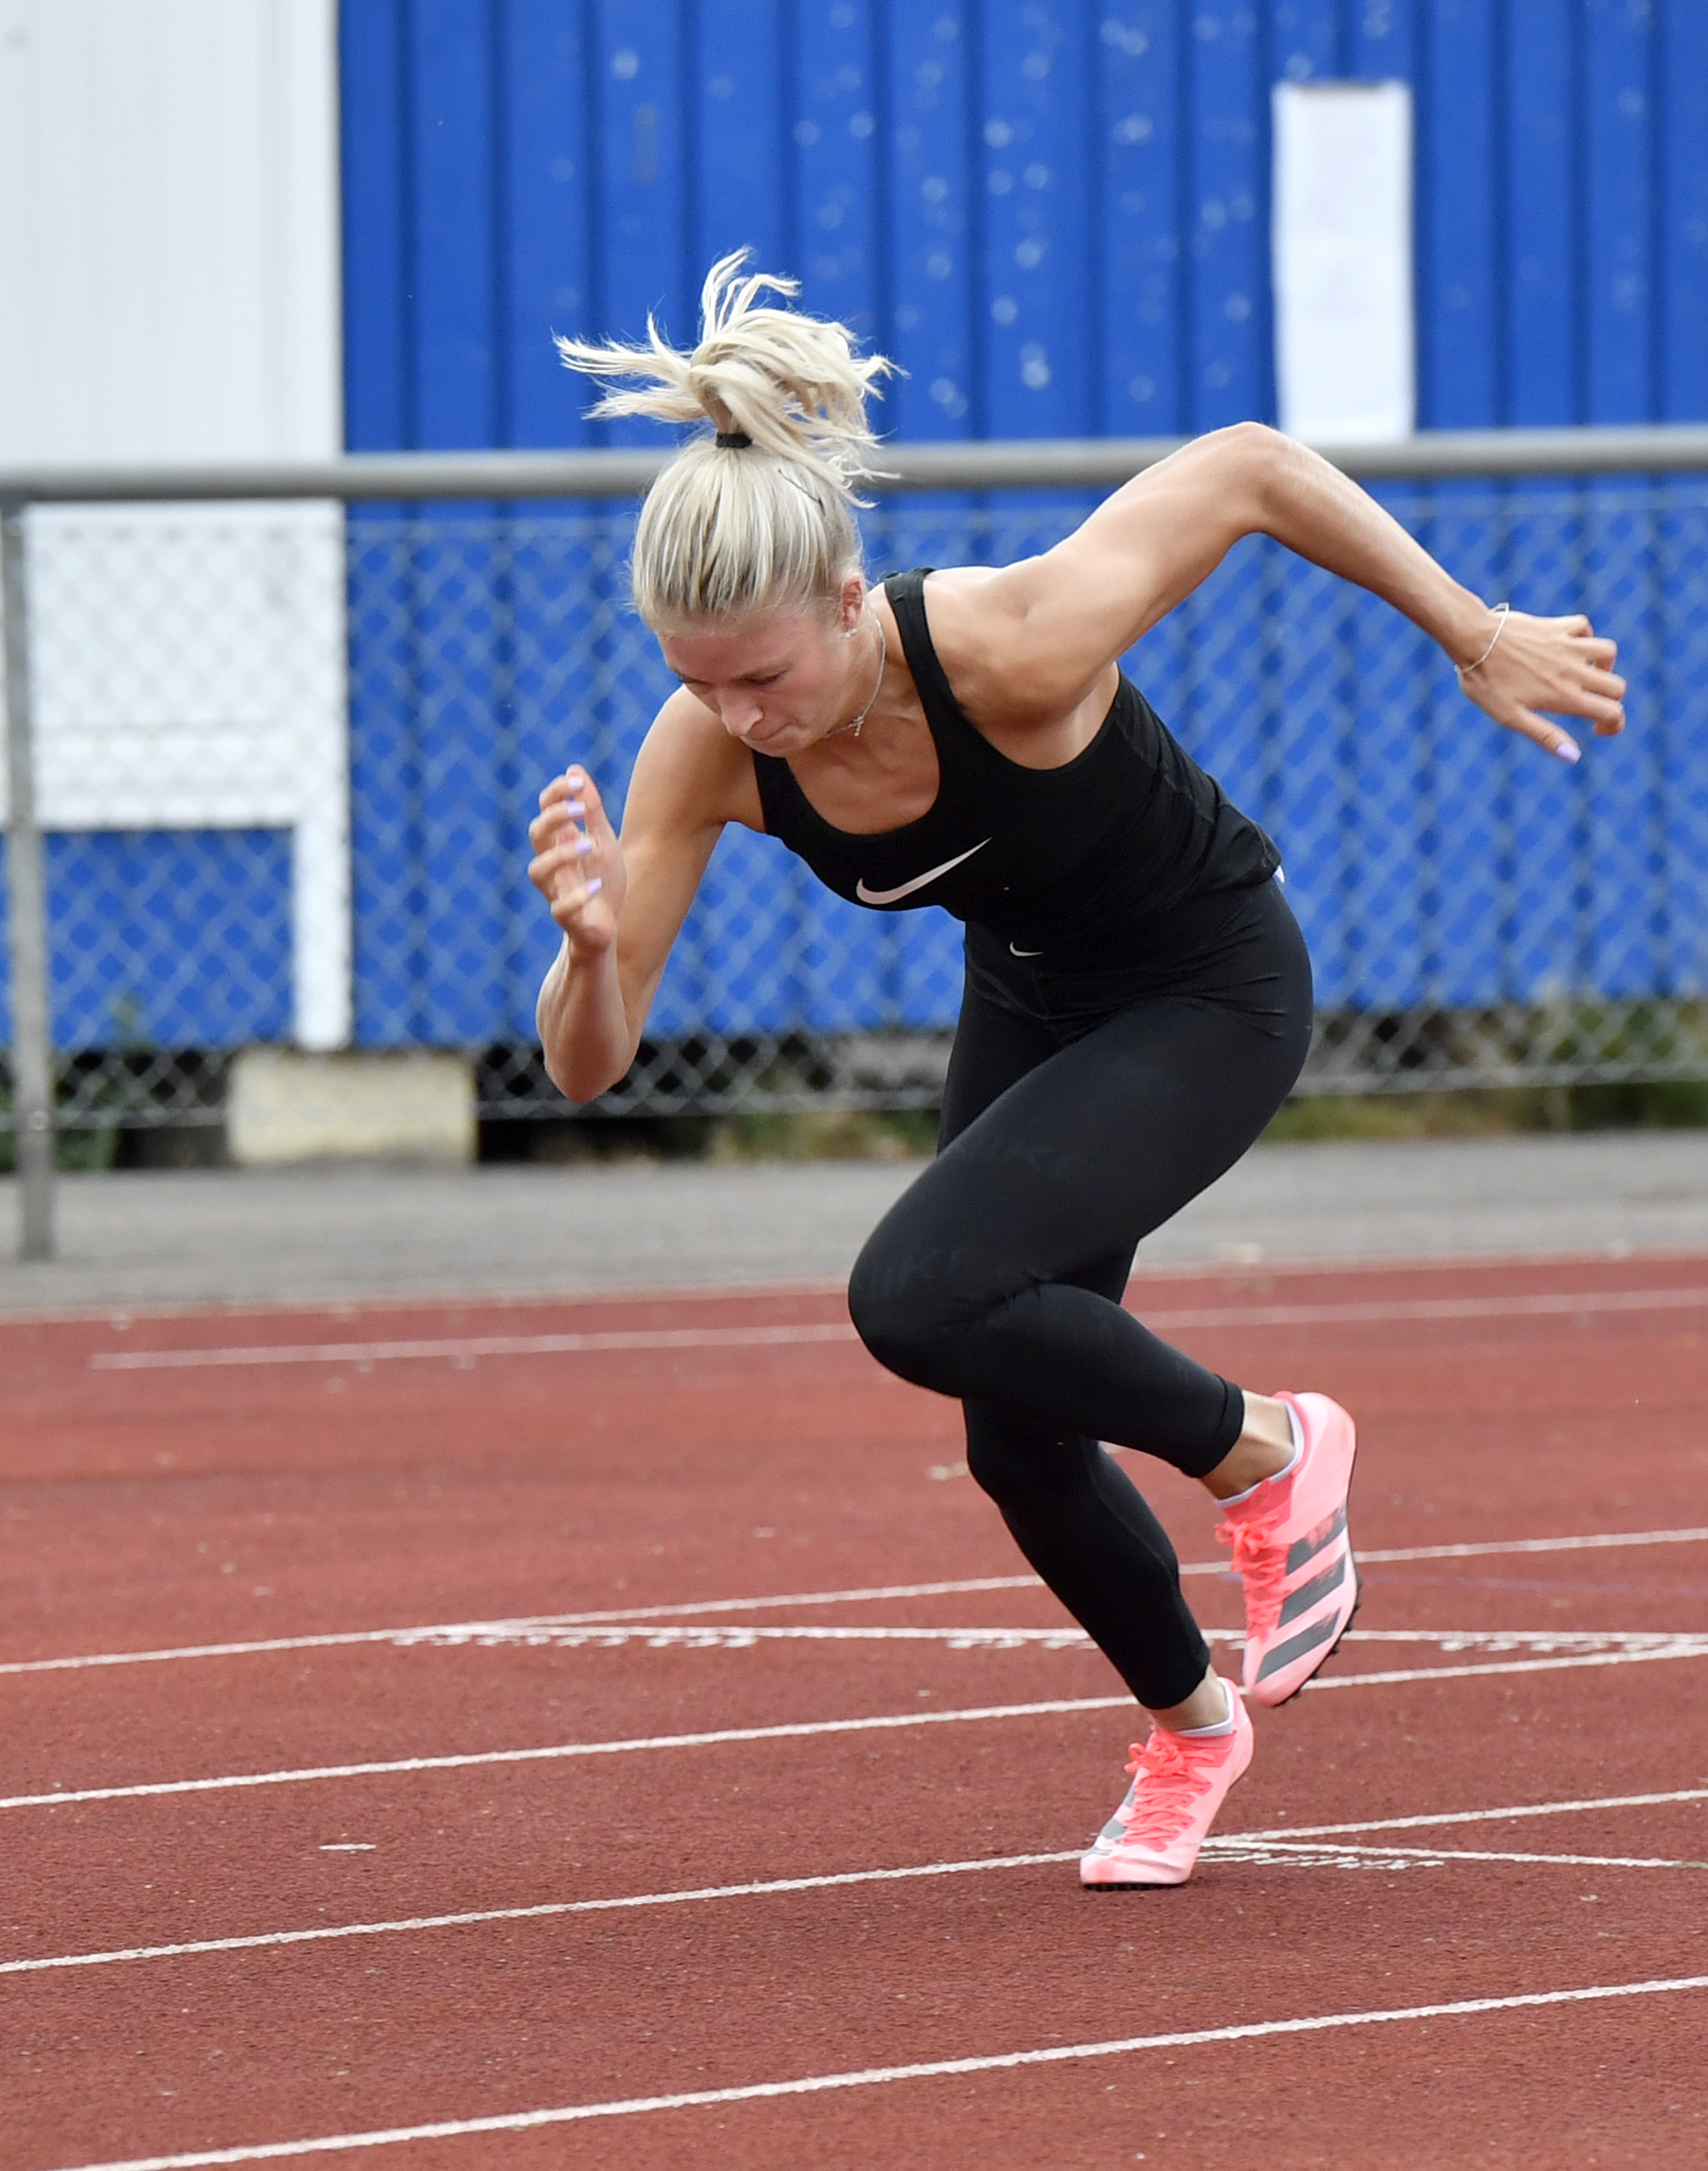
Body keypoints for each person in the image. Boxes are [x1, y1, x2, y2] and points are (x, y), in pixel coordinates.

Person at [524, 254, 1625, 1888]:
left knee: (914, 1289)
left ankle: (1266, 1443)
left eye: (763, 674)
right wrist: (594, 952)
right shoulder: (702, 753)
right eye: (697, 678)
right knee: (1012, 1433)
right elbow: (587, 1075)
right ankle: (1190, 1730)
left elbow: (1249, 465)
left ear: (845, 602)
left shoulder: (1011, 645)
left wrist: (1470, 633)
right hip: (1036, 999)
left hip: (1204, 986)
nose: (735, 714)